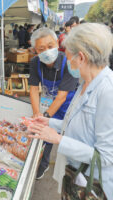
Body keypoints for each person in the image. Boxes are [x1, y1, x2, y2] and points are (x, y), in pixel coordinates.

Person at [28, 23, 113, 200]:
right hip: (78, 176)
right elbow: (78, 124)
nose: (67, 61)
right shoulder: (86, 82)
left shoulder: (111, 92)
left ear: (81, 57)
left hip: (98, 185)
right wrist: (48, 122)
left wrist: (58, 139)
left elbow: (106, 157)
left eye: (68, 56)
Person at [28, 28, 79, 179]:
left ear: (57, 43)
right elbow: (33, 89)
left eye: (50, 46)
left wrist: (45, 116)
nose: (47, 51)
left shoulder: (68, 62)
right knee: (45, 136)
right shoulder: (35, 63)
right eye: (41, 49)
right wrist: (37, 113)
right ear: (35, 51)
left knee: (70, 136)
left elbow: (62, 96)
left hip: (67, 105)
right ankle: (42, 166)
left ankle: (72, 168)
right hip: (48, 103)